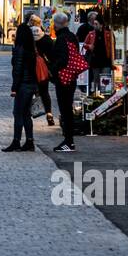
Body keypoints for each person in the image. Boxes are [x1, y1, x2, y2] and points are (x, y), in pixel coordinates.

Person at [47, 11, 82, 152]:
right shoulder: (72, 37)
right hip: (71, 77)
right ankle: (69, 141)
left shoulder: (61, 39)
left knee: (65, 109)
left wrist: (52, 71)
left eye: (53, 24)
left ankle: (69, 141)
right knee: (67, 109)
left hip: (63, 78)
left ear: (57, 24)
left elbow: (62, 60)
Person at [6, 16, 40, 151]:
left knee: (18, 113)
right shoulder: (32, 50)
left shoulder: (20, 50)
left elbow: (18, 70)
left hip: (23, 85)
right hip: (31, 84)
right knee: (26, 114)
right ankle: (30, 141)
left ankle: (16, 141)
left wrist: (14, 88)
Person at [29, 14, 57, 127]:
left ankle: (27, 115)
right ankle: (49, 114)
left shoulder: (25, 36)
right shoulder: (45, 38)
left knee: (28, 92)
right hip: (43, 71)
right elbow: (52, 56)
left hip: (28, 70)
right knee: (44, 92)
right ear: (39, 24)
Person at [84, 13, 115, 93]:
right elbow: (84, 44)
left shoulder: (108, 34)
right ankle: (96, 95)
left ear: (101, 25)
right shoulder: (91, 34)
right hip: (95, 61)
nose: (94, 25)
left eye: (96, 24)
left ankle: (105, 95)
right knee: (96, 79)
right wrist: (89, 46)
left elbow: (112, 46)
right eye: (94, 24)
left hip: (106, 61)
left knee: (106, 79)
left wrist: (113, 60)